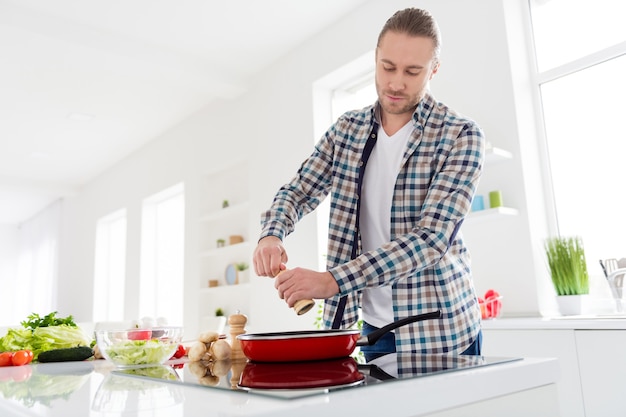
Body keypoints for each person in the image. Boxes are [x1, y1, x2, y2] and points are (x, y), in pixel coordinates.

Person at [253, 8, 484, 356]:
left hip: (442, 332)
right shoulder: (348, 130)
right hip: (373, 331)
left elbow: (430, 240)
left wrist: (331, 281)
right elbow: (298, 191)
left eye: (412, 71)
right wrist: (272, 234)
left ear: (433, 69)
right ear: (375, 59)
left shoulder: (460, 136)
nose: (395, 83)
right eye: (387, 67)